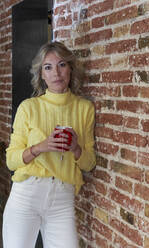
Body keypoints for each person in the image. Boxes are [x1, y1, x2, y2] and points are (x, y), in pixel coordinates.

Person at [3, 41, 96, 248]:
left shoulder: (84, 108)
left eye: (62, 64)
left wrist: (76, 148)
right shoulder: (29, 107)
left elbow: (89, 164)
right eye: (48, 67)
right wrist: (40, 147)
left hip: (62, 198)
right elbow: (11, 160)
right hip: (27, 195)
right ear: (42, 75)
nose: (56, 72)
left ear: (70, 69)